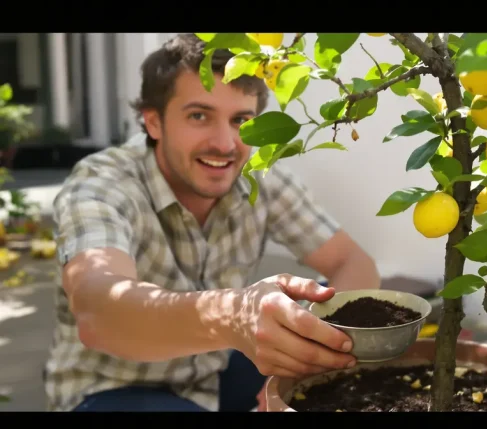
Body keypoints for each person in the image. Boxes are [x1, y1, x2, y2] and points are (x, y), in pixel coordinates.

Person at [42, 33, 381, 412]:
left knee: (321, 303)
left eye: (240, 120)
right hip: (114, 389)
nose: (224, 143)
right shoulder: (103, 182)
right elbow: (98, 312)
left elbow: (354, 264)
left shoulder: (259, 177)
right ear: (153, 122)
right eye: (199, 116)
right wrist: (234, 316)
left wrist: (308, 356)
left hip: (216, 370)